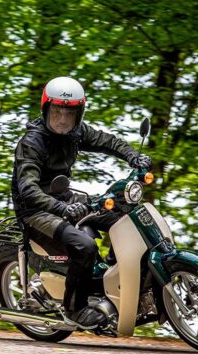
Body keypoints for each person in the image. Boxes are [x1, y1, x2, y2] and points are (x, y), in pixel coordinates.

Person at [11, 76, 152, 327]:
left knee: (124, 215)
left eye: (70, 113)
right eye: (57, 112)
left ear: (79, 113)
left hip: (64, 198)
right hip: (35, 210)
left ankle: (113, 276)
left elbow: (107, 141)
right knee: (85, 246)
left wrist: (133, 156)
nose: (63, 119)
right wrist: (62, 208)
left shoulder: (76, 132)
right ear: (46, 109)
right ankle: (74, 308)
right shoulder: (32, 143)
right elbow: (28, 189)